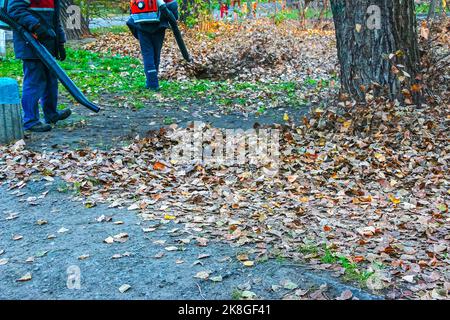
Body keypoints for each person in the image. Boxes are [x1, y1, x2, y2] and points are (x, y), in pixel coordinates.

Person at [7, 0, 71, 133]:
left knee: (51, 80)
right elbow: (15, 10)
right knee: (34, 82)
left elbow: (55, 18)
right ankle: (30, 121)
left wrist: (60, 42)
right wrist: (36, 26)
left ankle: (51, 114)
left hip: (48, 43)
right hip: (30, 43)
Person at [127, 0, 179, 91]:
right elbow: (173, 6)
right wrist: (174, 17)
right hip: (159, 26)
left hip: (141, 25)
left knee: (147, 55)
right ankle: (153, 82)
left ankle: (151, 81)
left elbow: (132, 9)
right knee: (156, 53)